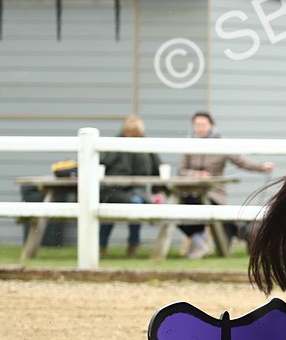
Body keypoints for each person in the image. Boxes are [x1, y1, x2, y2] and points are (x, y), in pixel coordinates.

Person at [178, 111, 274, 259]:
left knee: (204, 208)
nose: (200, 127)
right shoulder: (188, 143)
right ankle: (200, 239)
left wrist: (261, 167)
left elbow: (241, 161)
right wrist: (195, 174)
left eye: (203, 124)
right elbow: (181, 170)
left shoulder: (221, 143)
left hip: (214, 192)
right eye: (197, 124)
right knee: (178, 210)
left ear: (211, 125)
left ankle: (203, 242)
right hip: (191, 191)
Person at [99, 115, 161, 258]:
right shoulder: (114, 145)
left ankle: (133, 245)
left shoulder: (146, 147)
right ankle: (101, 245)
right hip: (113, 190)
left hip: (137, 190)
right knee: (110, 209)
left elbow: (156, 168)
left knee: (136, 203)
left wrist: (157, 190)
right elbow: (102, 162)